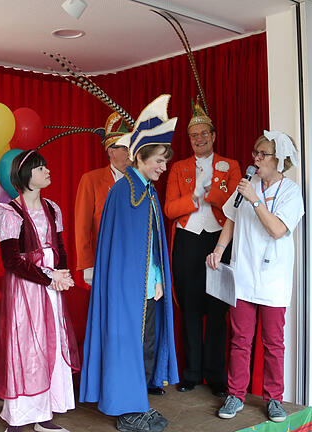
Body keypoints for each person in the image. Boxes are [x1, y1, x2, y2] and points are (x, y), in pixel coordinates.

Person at [80, 95, 179, 432]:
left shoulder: (146, 191)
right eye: (159, 161)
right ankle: (126, 409)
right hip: (126, 288)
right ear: (141, 157)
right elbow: (118, 249)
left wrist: (157, 278)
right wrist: (126, 284)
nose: (163, 168)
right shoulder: (123, 192)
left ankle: (139, 403)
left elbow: (149, 244)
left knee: (146, 341)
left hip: (147, 285)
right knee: (129, 342)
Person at [207, 131, 303, 423]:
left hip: (273, 279)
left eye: (263, 155)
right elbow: (232, 219)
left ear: (280, 160)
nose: (256, 159)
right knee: (239, 339)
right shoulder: (247, 185)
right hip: (243, 275)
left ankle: (273, 399)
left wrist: (256, 200)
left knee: (273, 342)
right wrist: (218, 249)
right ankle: (235, 393)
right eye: (255, 153)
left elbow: (277, 230)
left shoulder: (291, 191)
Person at [0, 150, 79, 432]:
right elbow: (11, 261)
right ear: (27, 175)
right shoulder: (9, 212)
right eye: (41, 168)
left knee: (51, 340)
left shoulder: (53, 208)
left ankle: (44, 414)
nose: (47, 171)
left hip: (51, 286)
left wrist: (62, 273)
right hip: (27, 289)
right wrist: (49, 276)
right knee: (26, 344)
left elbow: (60, 248)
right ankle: (18, 417)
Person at [164, 102, 240, 396]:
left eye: (203, 134)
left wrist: (210, 193)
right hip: (188, 241)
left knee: (218, 310)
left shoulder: (230, 165)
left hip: (219, 240)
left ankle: (216, 375)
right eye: (194, 135)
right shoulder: (179, 168)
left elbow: (234, 202)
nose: (199, 139)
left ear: (213, 135)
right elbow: (170, 209)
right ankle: (191, 372)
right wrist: (193, 200)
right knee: (191, 308)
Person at [74, 112, 131, 286]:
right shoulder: (91, 180)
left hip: (134, 260)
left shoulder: (141, 181)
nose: (130, 152)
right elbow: (82, 226)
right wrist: (87, 265)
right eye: (125, 147)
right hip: (105, 259)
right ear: (111, 151)